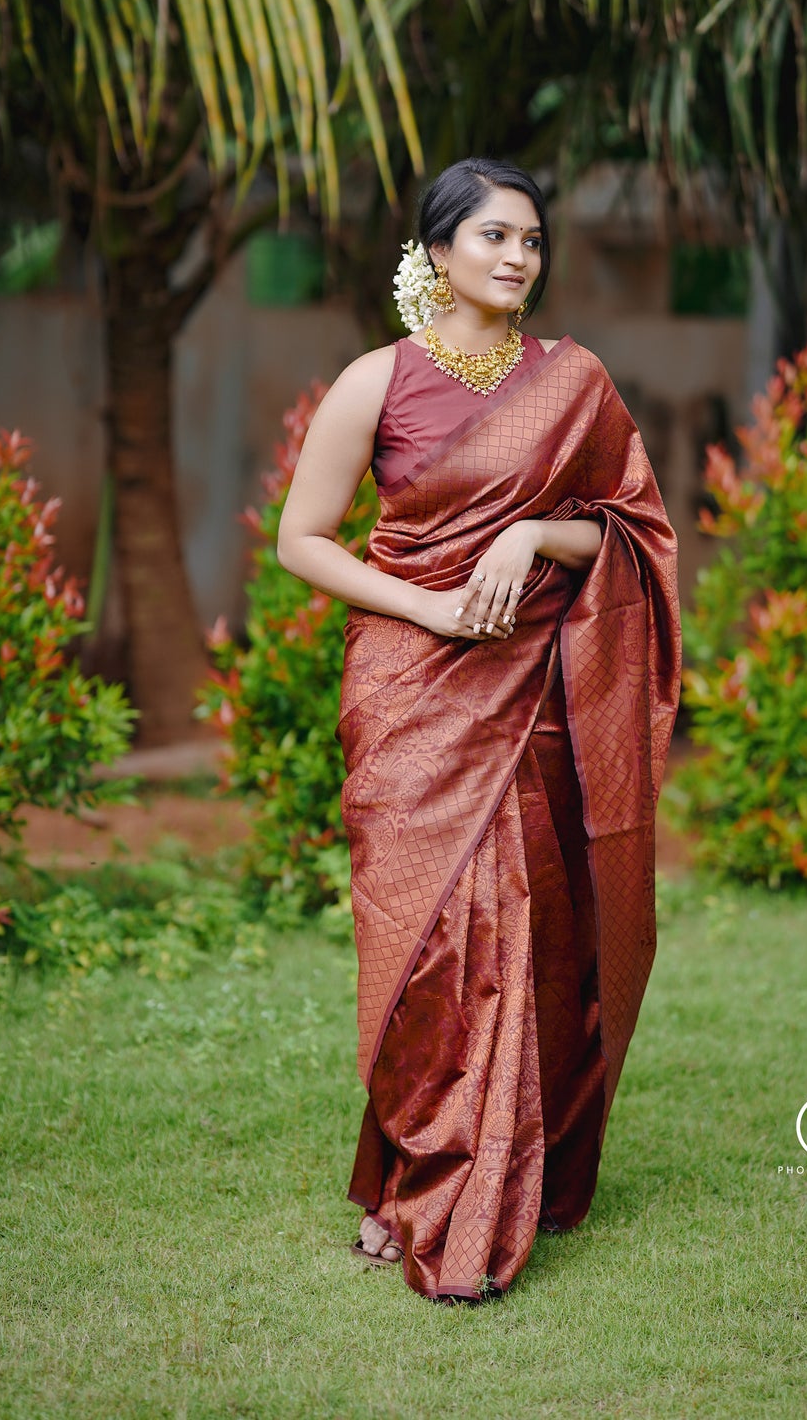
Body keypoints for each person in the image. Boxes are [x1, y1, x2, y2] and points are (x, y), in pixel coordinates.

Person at [276, 157, 681, 1302]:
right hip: (411, 691)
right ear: (438, 248)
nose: (518, 258)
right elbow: (303, 540)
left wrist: (534, 536)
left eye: (533, 241)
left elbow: (629, 537)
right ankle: (419, 1180)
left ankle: (480, 1185)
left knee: (540, 944)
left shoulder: (574, 382)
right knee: (425, 949)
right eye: (495, 236)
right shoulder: (378, 381)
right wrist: (433, 607)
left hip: (539, 703)